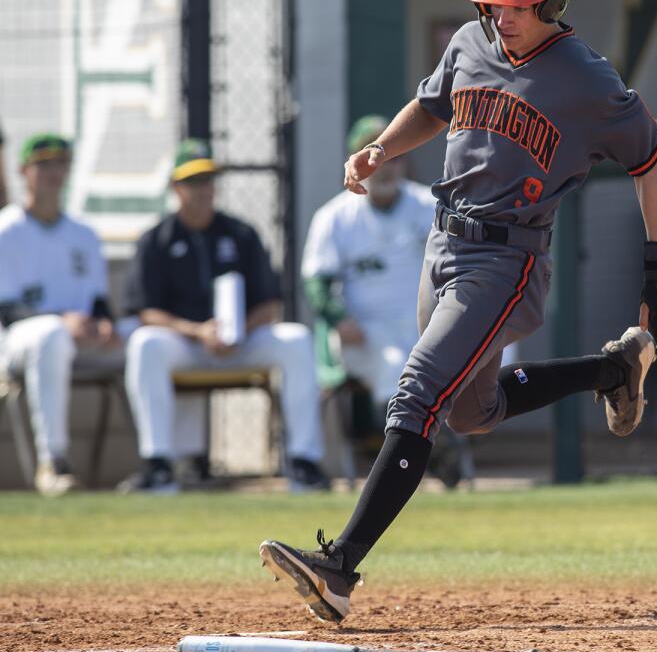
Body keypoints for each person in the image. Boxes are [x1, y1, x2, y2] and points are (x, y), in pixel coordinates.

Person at [259, 0, 657, 622]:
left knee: (418, 389)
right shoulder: (469, 41)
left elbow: (649, 167)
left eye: (519, 3)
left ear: (552, 1)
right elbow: (433, 107)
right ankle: (611, 372)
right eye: (495, 2)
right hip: (444, 249)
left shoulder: (585, 78)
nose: (503, 15)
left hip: (507, 260)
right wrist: (378, 149)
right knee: (471, 412)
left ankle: (339, 567)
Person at [120, 139, 328, 493]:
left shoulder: (241, 234)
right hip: (186, 345)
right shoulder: (157, 239)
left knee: (296, 339)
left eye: (207, 181)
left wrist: (238, 332)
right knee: (144, 344)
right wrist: (198, 331)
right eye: (192, 182)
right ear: (175, 187)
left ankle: (304, 461)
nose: (202, 191)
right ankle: (159, 464)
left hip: (240, 343)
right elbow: (145, 311)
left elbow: (269, 304)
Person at [302, 115, 474, 487]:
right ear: (355, 161)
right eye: (375, 158)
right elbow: (316, 281)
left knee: (482, 347)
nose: (385, 168)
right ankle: (430, 451)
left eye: (393, 158)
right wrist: (338, 318)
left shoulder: (426, 204)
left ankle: (428, 450)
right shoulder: (334, 217)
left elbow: (459, 263)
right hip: (362, 333)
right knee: (398, 366)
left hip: (420, 326)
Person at [0, 134, 122, 495]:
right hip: (19, 343)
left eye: (60, 164)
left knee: (145, 340)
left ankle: (163, 466)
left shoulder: (83, 234)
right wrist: (64, 320)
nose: (54, 172)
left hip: (80, 341)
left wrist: (103, 324)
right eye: (43, 164)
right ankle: (53, 461)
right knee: (50, 334)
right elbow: (6, 310)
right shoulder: (6, 230)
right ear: (24, 171)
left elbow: (99, 301)